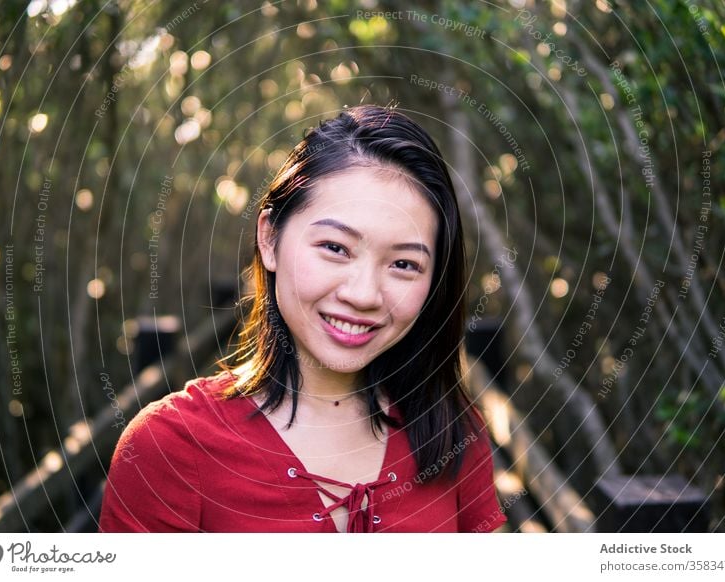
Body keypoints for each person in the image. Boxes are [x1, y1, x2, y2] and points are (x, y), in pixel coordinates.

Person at [98, 105, 507, 533]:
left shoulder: (450, 434)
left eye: (403, 264)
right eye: (335, 248)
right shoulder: (167, 449)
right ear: (270, 238)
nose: (363, 294)